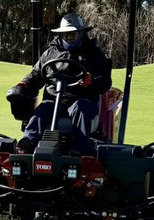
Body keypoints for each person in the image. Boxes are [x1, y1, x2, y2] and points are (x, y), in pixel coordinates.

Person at [6, 13, 112, 151]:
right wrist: (23, 85)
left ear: (81, 33)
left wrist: (91, 81)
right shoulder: (50, 53)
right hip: (53, 100)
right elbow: (36, 74)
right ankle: (28, 144)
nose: (68, 37)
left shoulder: (94, 54)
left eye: (72, 34)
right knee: (42, 110)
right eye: (65, 34)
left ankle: (79, 150)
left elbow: (105, 81)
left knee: (82, 108)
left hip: (80, 100)